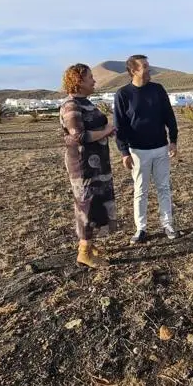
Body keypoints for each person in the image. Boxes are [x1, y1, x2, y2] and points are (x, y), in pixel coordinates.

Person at [114, 54, 179, 244]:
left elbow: (169, 116)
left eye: (148, 66)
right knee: (140, 190)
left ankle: (167, 224)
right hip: (138, 151)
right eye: (144, 67)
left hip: (160, 148)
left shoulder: (158, 90)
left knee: (164, 188)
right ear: (133, 71)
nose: (149, 70)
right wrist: (124, 152)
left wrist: (173, 140)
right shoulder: (123, 94)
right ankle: (140, 228)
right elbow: (120, 125)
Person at [58, 63, 117, 268]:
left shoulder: (85, 102)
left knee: (95, 204)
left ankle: (89, 245)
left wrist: (108, 130)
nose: (94, 80)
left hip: (97, 164)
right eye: (90, 77)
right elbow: (78, 136)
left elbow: (97, 126)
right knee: (85, 205)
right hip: (83, 166)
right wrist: (106, 131)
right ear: (78, 81)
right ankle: (84, 252)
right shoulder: (71, 105)